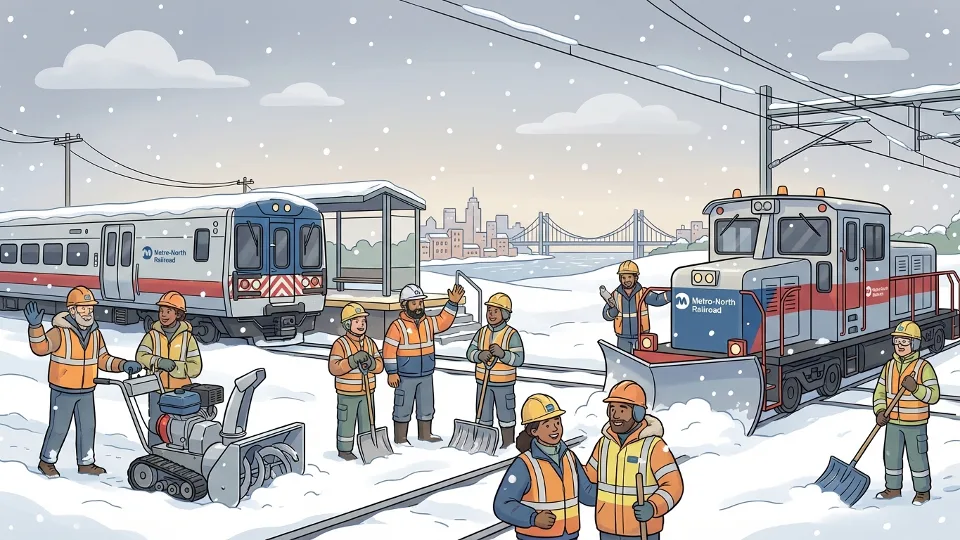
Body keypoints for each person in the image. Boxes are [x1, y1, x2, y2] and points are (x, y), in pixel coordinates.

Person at [24, 287, 142, 478]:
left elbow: (103, 359)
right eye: (83, 308)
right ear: (72, 310)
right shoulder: (60, 332)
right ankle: (47, 461)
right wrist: (36, 328)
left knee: (87, 427)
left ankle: (86, 463)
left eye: (90, 308)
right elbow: (41, 348)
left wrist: (123, 365)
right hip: (63, 389)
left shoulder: (95, 333)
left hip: (87, 389)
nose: (88, 313)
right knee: (59, 427)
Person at [585, 380, 683, 540]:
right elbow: (589, 475)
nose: (614, 415)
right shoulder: (604, 444)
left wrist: (653, 507)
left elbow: (673, 486)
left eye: (622, 409)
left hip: (642, 532)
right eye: (611, 408)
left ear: (638, 413)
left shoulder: (654, 446)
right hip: (608, 531)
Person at [493, 394, 597, 540]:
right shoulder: (524, 464)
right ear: (534, 431)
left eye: (557, 422)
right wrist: (533, 518)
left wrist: (615, 492)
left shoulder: (570, 457)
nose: (555, 429)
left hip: (570, 536)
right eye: (547, 424)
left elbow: (587, 494)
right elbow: (502, 504)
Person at [383, 282, 465, 444]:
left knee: (426, 406)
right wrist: (392, 372)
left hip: (426, 374)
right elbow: (389, 350)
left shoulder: (428, 322)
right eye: (414, 303)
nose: (418, 306)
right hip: (405, 376)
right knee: (403, 407)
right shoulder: (397, 327)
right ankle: (401, 438)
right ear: (404, 305)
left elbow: (444, 321)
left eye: (420, 302)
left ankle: (425, 434)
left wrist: (452, 303)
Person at [873, 320, 940, 505]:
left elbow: (934, 395)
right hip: (892, 422)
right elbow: (879, 392)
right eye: (897, 341)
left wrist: (916, 388)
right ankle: (893, 488)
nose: (900, 345)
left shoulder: (922, 367)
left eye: (905, 341)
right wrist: (879, 411)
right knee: (891, 456)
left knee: (917, 458)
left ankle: (922, 492)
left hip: (915, 423)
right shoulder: (889, 366)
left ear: (915, 344)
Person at [135, 291, 203, 447]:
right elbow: (141, 356)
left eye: (168, 311)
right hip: (157, 390)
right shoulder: (152, 335)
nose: (163, 315)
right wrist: (158, 361)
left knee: (178, 428)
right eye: (161, 311)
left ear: (178, 314)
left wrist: (175, 367)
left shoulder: (187, 338)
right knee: (156, 426)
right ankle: (154, 454)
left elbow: (196, 367)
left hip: (180, 393)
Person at [466, 292, 525, 448]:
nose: (491, 314)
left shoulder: (511, 335)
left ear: (505, 314)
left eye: (495, 311)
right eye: (489, 310)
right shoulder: (482, 333)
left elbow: (519, 359)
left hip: (504, 385)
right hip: (482, 382)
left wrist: (503, 354)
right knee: (483, 414)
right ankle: (484, 443)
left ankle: (508, 443)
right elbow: (469, 353)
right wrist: (480, 355)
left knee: (506, 415)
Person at [328, 302, 384, 461]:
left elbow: (379, 365)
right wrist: (352, 360)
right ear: (347, 324)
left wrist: (371, 364)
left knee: (367, 420)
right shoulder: (341, 344)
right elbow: (334, 367)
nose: (361, 325)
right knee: (346, 421)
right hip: (347, 393)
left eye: (363, 321)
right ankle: (344, 450)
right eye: (357, 321)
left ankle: (367, 446)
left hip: (367, 392)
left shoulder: (369, 343)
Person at [601, 261, 671, 351]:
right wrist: (613, 311)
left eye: (629, 277)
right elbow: (606, 315)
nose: (626, 280)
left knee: (642, 358)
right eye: (623, 277)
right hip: (623, 337)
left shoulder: (643, 293)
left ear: (636, 277)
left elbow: (657, 299)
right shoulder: (615, 295)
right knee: (624, 359)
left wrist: (673, 294)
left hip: (641, 335)